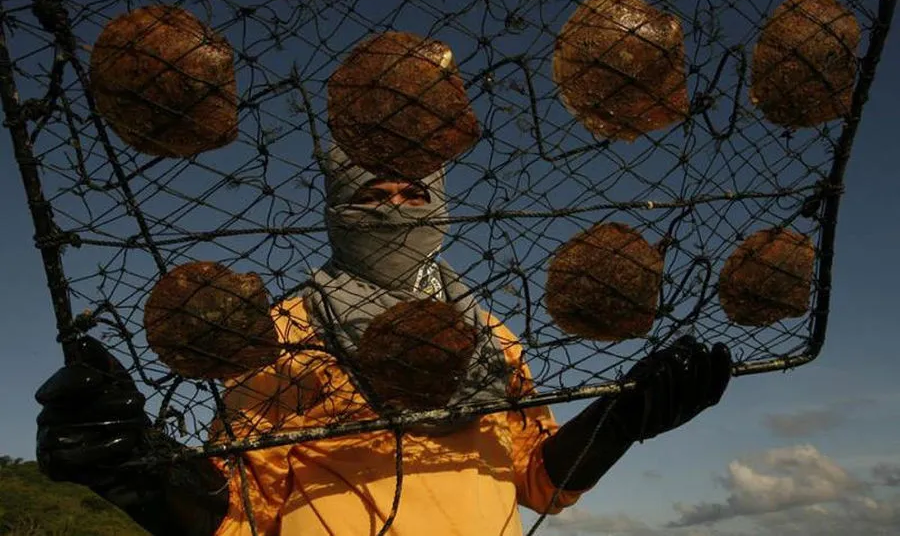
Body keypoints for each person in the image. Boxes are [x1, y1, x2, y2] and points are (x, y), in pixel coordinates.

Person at [35, 144, 733, 536]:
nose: (395, 210)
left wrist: (623, 417)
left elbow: (538, 480)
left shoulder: (487, 335)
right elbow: (243, 510)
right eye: (373, 194)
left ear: (441, 207)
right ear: (339, 209)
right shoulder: (283, 334)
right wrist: (142, 476)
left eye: (413, 194)